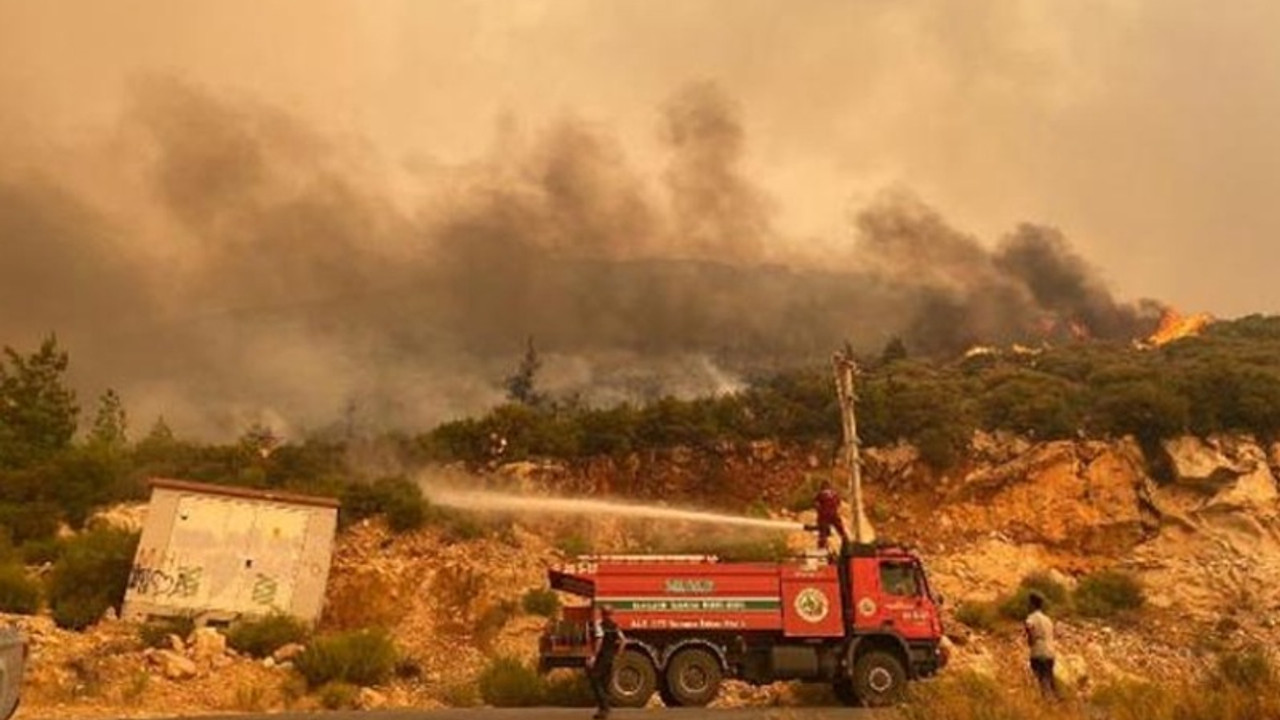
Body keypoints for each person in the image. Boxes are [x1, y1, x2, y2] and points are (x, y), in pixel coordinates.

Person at [586, 605, 625, 719]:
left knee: (595, 680)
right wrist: (617, 654)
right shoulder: (615, 626)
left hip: (602, 657)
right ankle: (603, 710)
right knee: (605, 682)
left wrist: (593, 656)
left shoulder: (600, 625)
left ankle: (604, 707)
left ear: (602, 614)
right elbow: (623, 641)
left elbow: (599, 640)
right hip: (610, 657)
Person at [1024, 592, 1060, 700]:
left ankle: (1047, 702)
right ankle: (1057, 700)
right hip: (1050, 651)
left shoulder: (1031, 617)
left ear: (1032, 604)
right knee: (1050, 677)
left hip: (1038, 651)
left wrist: (1030, 639)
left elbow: (1029, 627)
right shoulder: (1048, 619)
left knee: (1042, 679)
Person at [814, 480, 849, 551]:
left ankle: (822, 548)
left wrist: (820, 511)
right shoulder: (835, 494)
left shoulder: (820, 495)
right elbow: (839, 503)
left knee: (822, 533)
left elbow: (816, 504)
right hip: (834, 514)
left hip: (824, 515)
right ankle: (847, 544)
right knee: (841, 530)